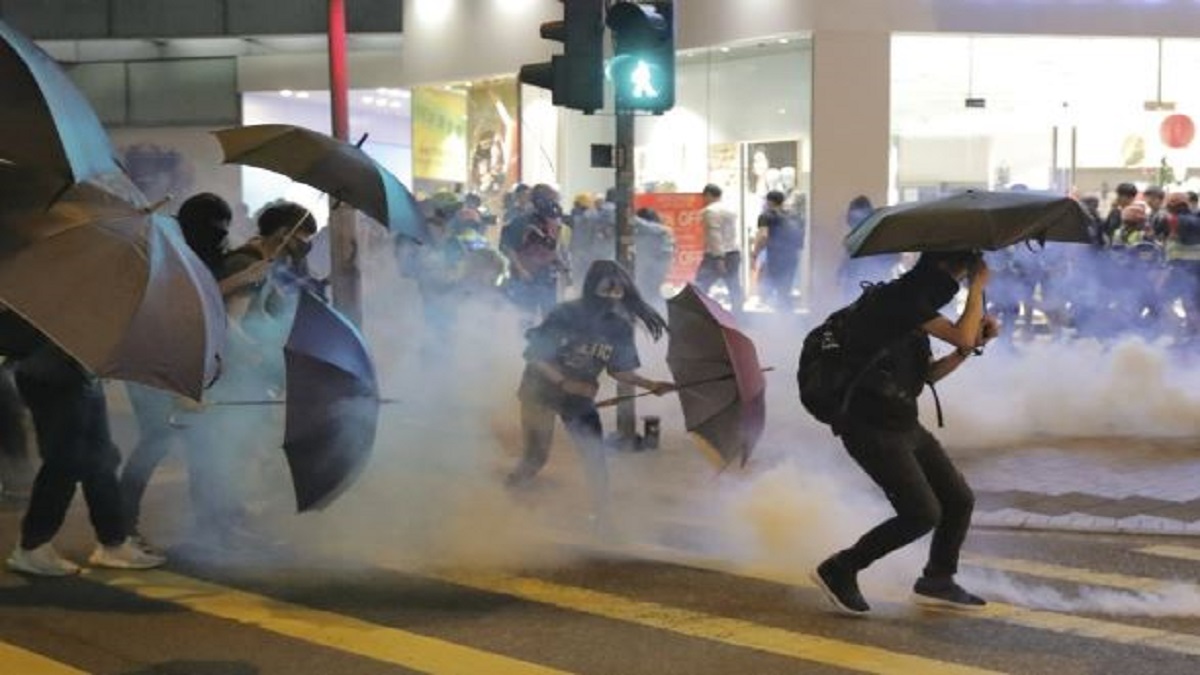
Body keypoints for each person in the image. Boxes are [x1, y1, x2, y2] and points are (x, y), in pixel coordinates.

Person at [810, 250, 999, 615]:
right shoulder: (898, 300)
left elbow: (925, 376)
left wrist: (967, 351)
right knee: (921, 513)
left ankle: (937, 580)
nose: (957, 287)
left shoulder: (911, 307)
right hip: (870, 426)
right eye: (961, 277)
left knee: (957, 499)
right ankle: (840, 568)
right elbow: (961, 333)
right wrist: (977, 291)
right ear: (943, 268)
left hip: (902, 421)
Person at [505, 261, 674, 516]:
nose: (610, 299)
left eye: (617, 292)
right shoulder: (564, 314)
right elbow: (534, 355)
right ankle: (507, 500)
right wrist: (564, 382)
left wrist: (652, 385)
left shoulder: (619, 326)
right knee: (535, 458)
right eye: (605, 291)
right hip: (539, 390)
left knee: (595, 458)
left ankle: (603, 517)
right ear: (591, 287)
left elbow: (618, 370)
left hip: (579, 397)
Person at [118, 193, 232, 552]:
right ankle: (121, 528)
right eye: (217, 229)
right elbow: (172, 315)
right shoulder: (171, 255)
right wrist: (180, 388)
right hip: (154, 365)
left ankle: (210, 525)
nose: (223, 237)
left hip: (178, 363)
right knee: (155, 441)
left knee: (202, 446)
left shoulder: (186, 252)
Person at [6, 330, 164, 576]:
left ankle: (113, 542)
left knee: (101, 458)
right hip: (53, 375)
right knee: (65, 462)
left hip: (81, 374)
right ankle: (32, 546)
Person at [500, 184, 568, 324]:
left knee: (550, 317)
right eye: (551, 200)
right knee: (526, 316)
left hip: (547, 277)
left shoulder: (553, 223)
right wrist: (521, 270)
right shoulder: (521, 222)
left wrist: (562, 265)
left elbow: (551, 249)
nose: (554, 205)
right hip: (526, 278)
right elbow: (509, 247)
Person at [694, 184, 744, 315]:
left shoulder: (710, 211)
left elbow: (714, 235)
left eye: (704, 196)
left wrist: (719, 257)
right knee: (734, 287)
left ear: (709, 195)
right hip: (733, 253)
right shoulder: (730, 209)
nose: (704, 199)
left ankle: (699, 315)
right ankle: (739, 317)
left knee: (701, 285)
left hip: (716, 256)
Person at [751, 190, 804, 312]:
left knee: (769, 286)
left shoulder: (766, 216)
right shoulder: (795, 215)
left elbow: (763, 236)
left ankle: (777, 318)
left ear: (769, 201)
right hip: (792, 256)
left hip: (776, 256)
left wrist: (755, 254)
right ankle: (787, 318)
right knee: (785, 288)